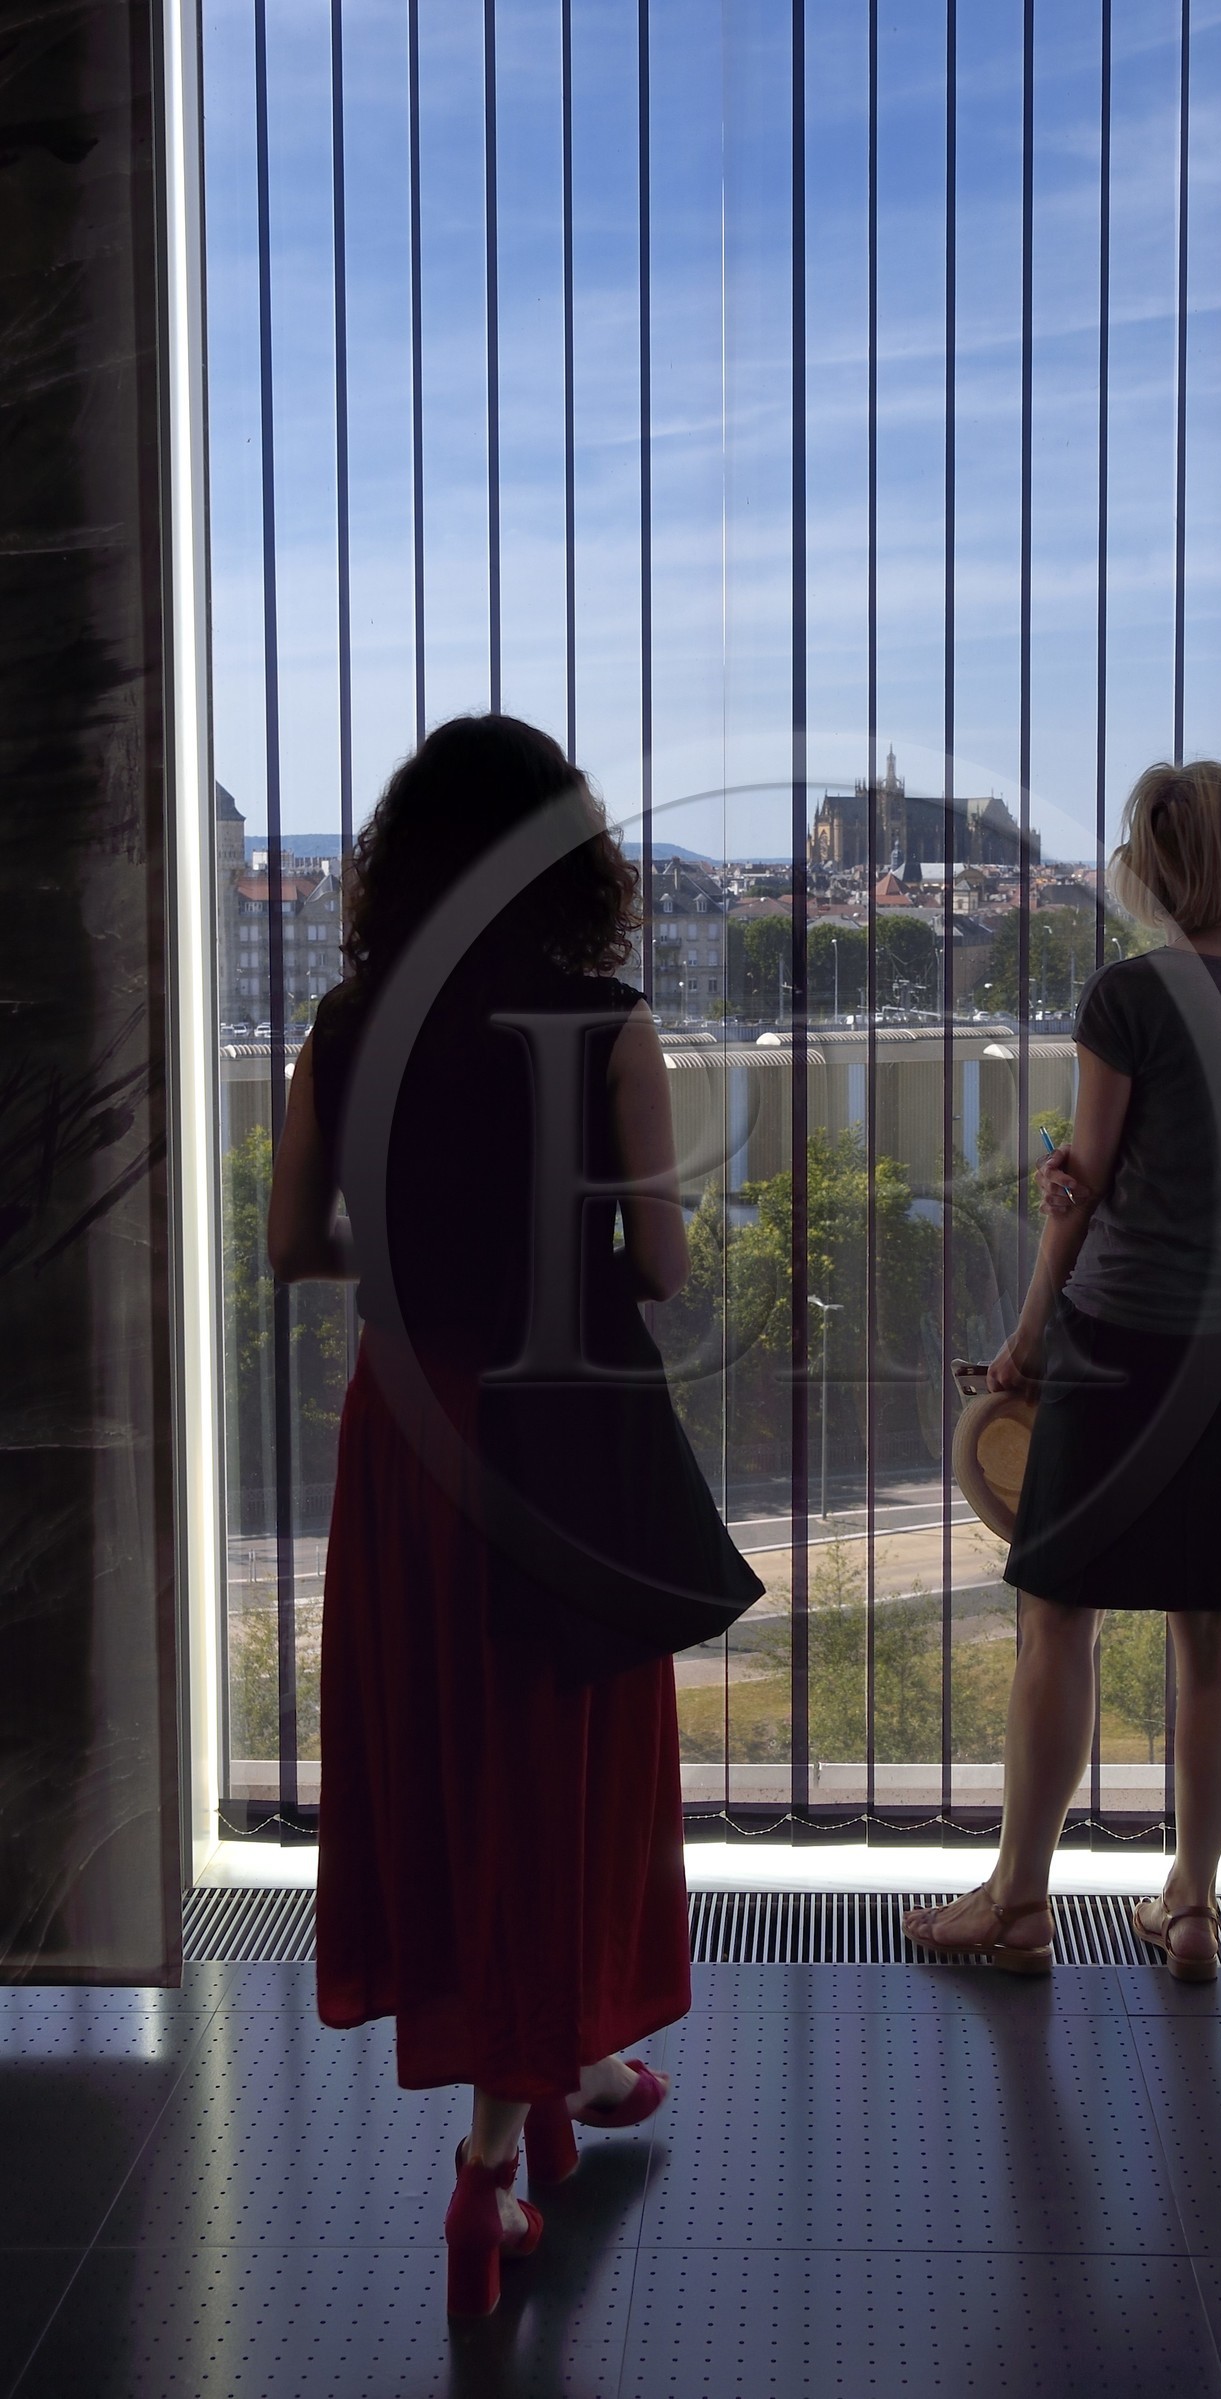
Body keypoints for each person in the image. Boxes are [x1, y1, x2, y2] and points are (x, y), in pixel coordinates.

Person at [268, 715, 761, 2316]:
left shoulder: (346, 1027)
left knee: (448, 1755)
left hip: (408, 1434)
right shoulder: (611, 1027)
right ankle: (492, 2162)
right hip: (562, 1440)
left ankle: (567, 2074)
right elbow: (670, 1270)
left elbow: (295, 1244)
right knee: (554, 1771)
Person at [905, 761, 1221, 1983]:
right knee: (1213, 1625)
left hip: (1121, 1342)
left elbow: (1079, 1191)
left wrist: (1027, 1339)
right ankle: (1190, 1902)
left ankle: (1018, 1897)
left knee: (1057, 1616)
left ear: (1145, 861)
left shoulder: (1130, 994)